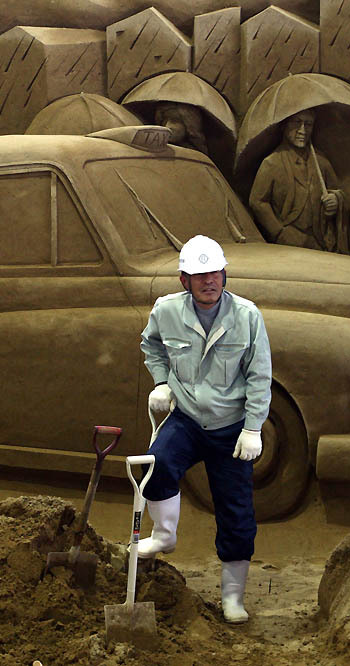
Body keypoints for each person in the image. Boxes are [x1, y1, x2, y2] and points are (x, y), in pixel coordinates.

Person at [138, 235, 272, 624]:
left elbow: (260, 376)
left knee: (236, 511)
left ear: (225, 274)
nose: (208, 281)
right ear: (184, 281)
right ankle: (164, 535)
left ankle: (232, 596)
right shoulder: (166, 311)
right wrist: (162, 382)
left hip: (231, 427)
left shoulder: (247, 316)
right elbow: (151, 346)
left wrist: (253, 428)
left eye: (214, 272)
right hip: (187, 418)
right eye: (199, 275)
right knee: (157, 463)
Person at [249, 109, 350, 254]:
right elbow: (257, 202)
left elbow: (337, 191)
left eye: (308, 124)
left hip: (320, 242)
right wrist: (279, 232)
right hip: (287, 244)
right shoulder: (272, 163)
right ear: (284, 126)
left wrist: (335, 200)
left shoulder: (321, 162)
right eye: (297, 122)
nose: (302, 130)